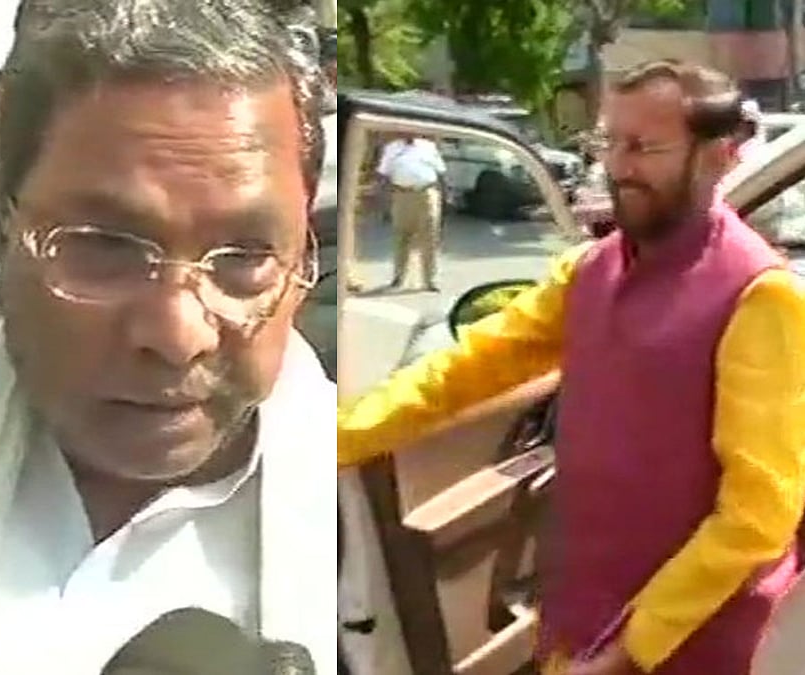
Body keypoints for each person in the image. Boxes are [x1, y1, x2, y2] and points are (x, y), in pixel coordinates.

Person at [0, 0, 336, 673]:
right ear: (4, 235)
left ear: (301, 263)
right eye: (104, 245)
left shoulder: (368, 521)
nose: (178, 335)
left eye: (246, 255)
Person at [338, 60, 805, 675]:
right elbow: (471, 365)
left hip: (689, 645)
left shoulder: (759, 296)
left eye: (644, 148)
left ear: (720, 157)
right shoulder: (590, 269)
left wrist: (630, 651)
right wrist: (340, 438)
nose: (619, 167)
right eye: (610, 142)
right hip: (578, 625)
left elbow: (758, 516)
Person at [376, 133, 446, 291]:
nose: (410, 132)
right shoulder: (392, 148)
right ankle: (398, 277)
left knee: (429, 237)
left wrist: (445, 198)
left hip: (425, 193)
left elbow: (441, 173)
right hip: (402, 195)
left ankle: (430, 280)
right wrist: (384, 202)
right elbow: (383, 175)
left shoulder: (428, 147)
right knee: (401, 237)